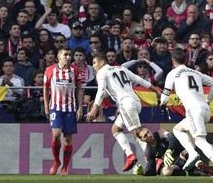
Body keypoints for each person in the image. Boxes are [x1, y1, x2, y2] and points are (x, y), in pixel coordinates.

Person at [86, 52, 161, 172]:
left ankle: (156, 157)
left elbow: (100, 91)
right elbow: (139, 80)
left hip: (126, 104)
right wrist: (156, 90)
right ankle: (130, 155)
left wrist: (94, 109)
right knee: (115, 129)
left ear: (102, 62)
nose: (93, 66)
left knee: (138, 133)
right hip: (135, 102)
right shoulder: (121, 68)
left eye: (94, 63)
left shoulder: (101, 72)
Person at [160, 49, 213, 178]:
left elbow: (164, 98)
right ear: (185, 59)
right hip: (205, 109)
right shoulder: (195, 72)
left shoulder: (173, 73)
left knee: (200, 140)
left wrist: (162, 102)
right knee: (178, 129)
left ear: (173, 61)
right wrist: (208, 100)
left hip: (193, 110)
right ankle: (191, 153)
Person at [43, 46, 83, 176]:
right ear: (59, 56)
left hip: (70, 108)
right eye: (65, 54)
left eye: (69, 55)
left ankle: (65, 167)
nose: (68, 57)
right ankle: (56, 161)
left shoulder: (75, 70)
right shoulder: (50, 70)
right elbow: (45, 89)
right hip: (55, 107)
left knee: (67, 139)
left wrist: (80, 107)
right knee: (56, 133)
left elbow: (79, 89)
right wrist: (46, 107)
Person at [133, 126, 213, 176]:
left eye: (148, 132)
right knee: (165, 171)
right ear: (142, 140)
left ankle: (201, 166)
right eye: (145, 136)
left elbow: (173, 138)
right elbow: (152, 171)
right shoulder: (148, 151)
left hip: (184, 157)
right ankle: (194, 174)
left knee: (185, 152)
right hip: (176, 165)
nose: (149, 135)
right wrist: (144, 172)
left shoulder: (160, 133)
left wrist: (169, 150)